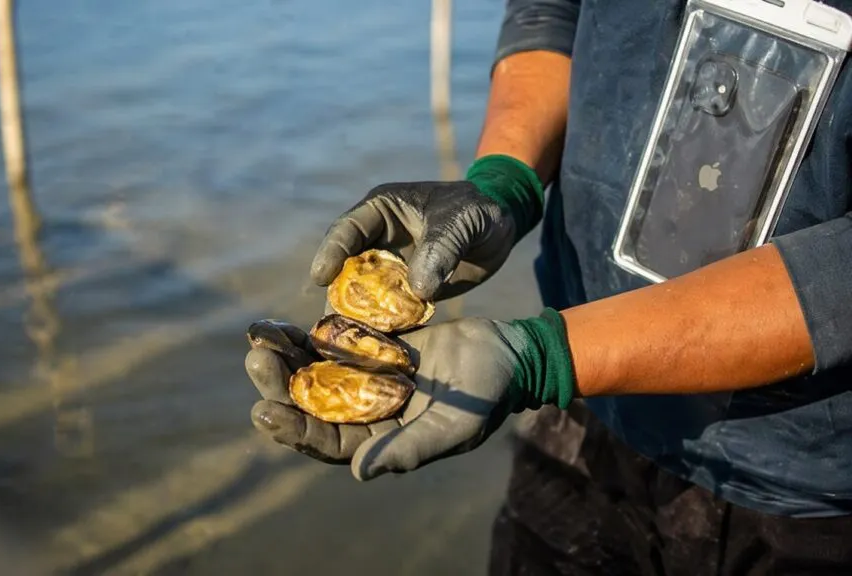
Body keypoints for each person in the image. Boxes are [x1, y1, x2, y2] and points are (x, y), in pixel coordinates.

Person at [243, 0, 852, 573]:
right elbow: (552, 10)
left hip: (804, 481)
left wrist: (546, 356)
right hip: (588, 403)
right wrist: (505, 180)